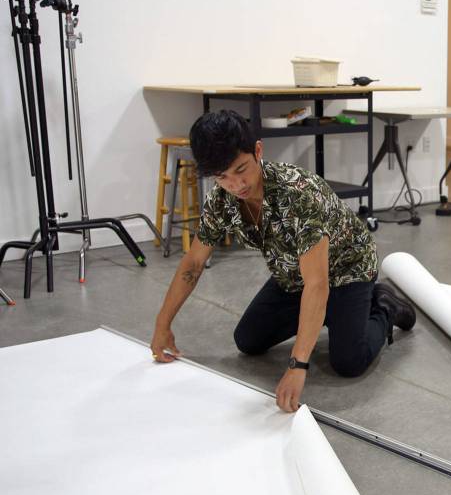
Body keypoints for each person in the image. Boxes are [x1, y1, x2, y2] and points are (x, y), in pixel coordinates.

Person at [149, 110, 415, 412]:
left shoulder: (298, 194)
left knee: (348, 362)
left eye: (241, 169)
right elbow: (193, 265)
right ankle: (328, 316)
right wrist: (162, 324)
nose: (236, 184)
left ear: (258, 151)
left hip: (346, 269)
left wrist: (298, 364)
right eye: (222, 177)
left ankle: (383, 308)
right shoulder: (221, 201)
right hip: (293, 275)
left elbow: (318, 283)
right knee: (247, 340)